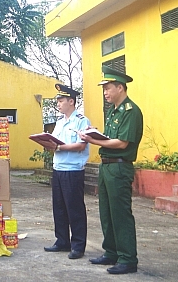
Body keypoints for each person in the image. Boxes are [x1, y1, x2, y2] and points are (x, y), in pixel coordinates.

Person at [79, 66, 143, 275]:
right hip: (107, 167)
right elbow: (109, 138)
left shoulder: (130, 111)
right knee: (106, 212)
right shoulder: (113, 112)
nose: (105, 92)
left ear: (120, 88)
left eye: (108, 88)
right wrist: (95, 134)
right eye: (104, 89)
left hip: (119, 166)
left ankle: (127, 258)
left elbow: (122, 143)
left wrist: (92, 139)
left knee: (120, 213)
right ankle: (111, 252)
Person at [38, 84, 90, 260]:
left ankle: (78, 245)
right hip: (58, 168)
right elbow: (55, 143)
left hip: (73, 170)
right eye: (58, 101)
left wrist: (59, 146)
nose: (58, 104)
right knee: (59, 207)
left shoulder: (82, 121)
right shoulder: (59, 122)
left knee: (74, 208)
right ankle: (62, 241)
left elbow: (81, 145)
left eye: (61, 101)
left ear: (71, 101)